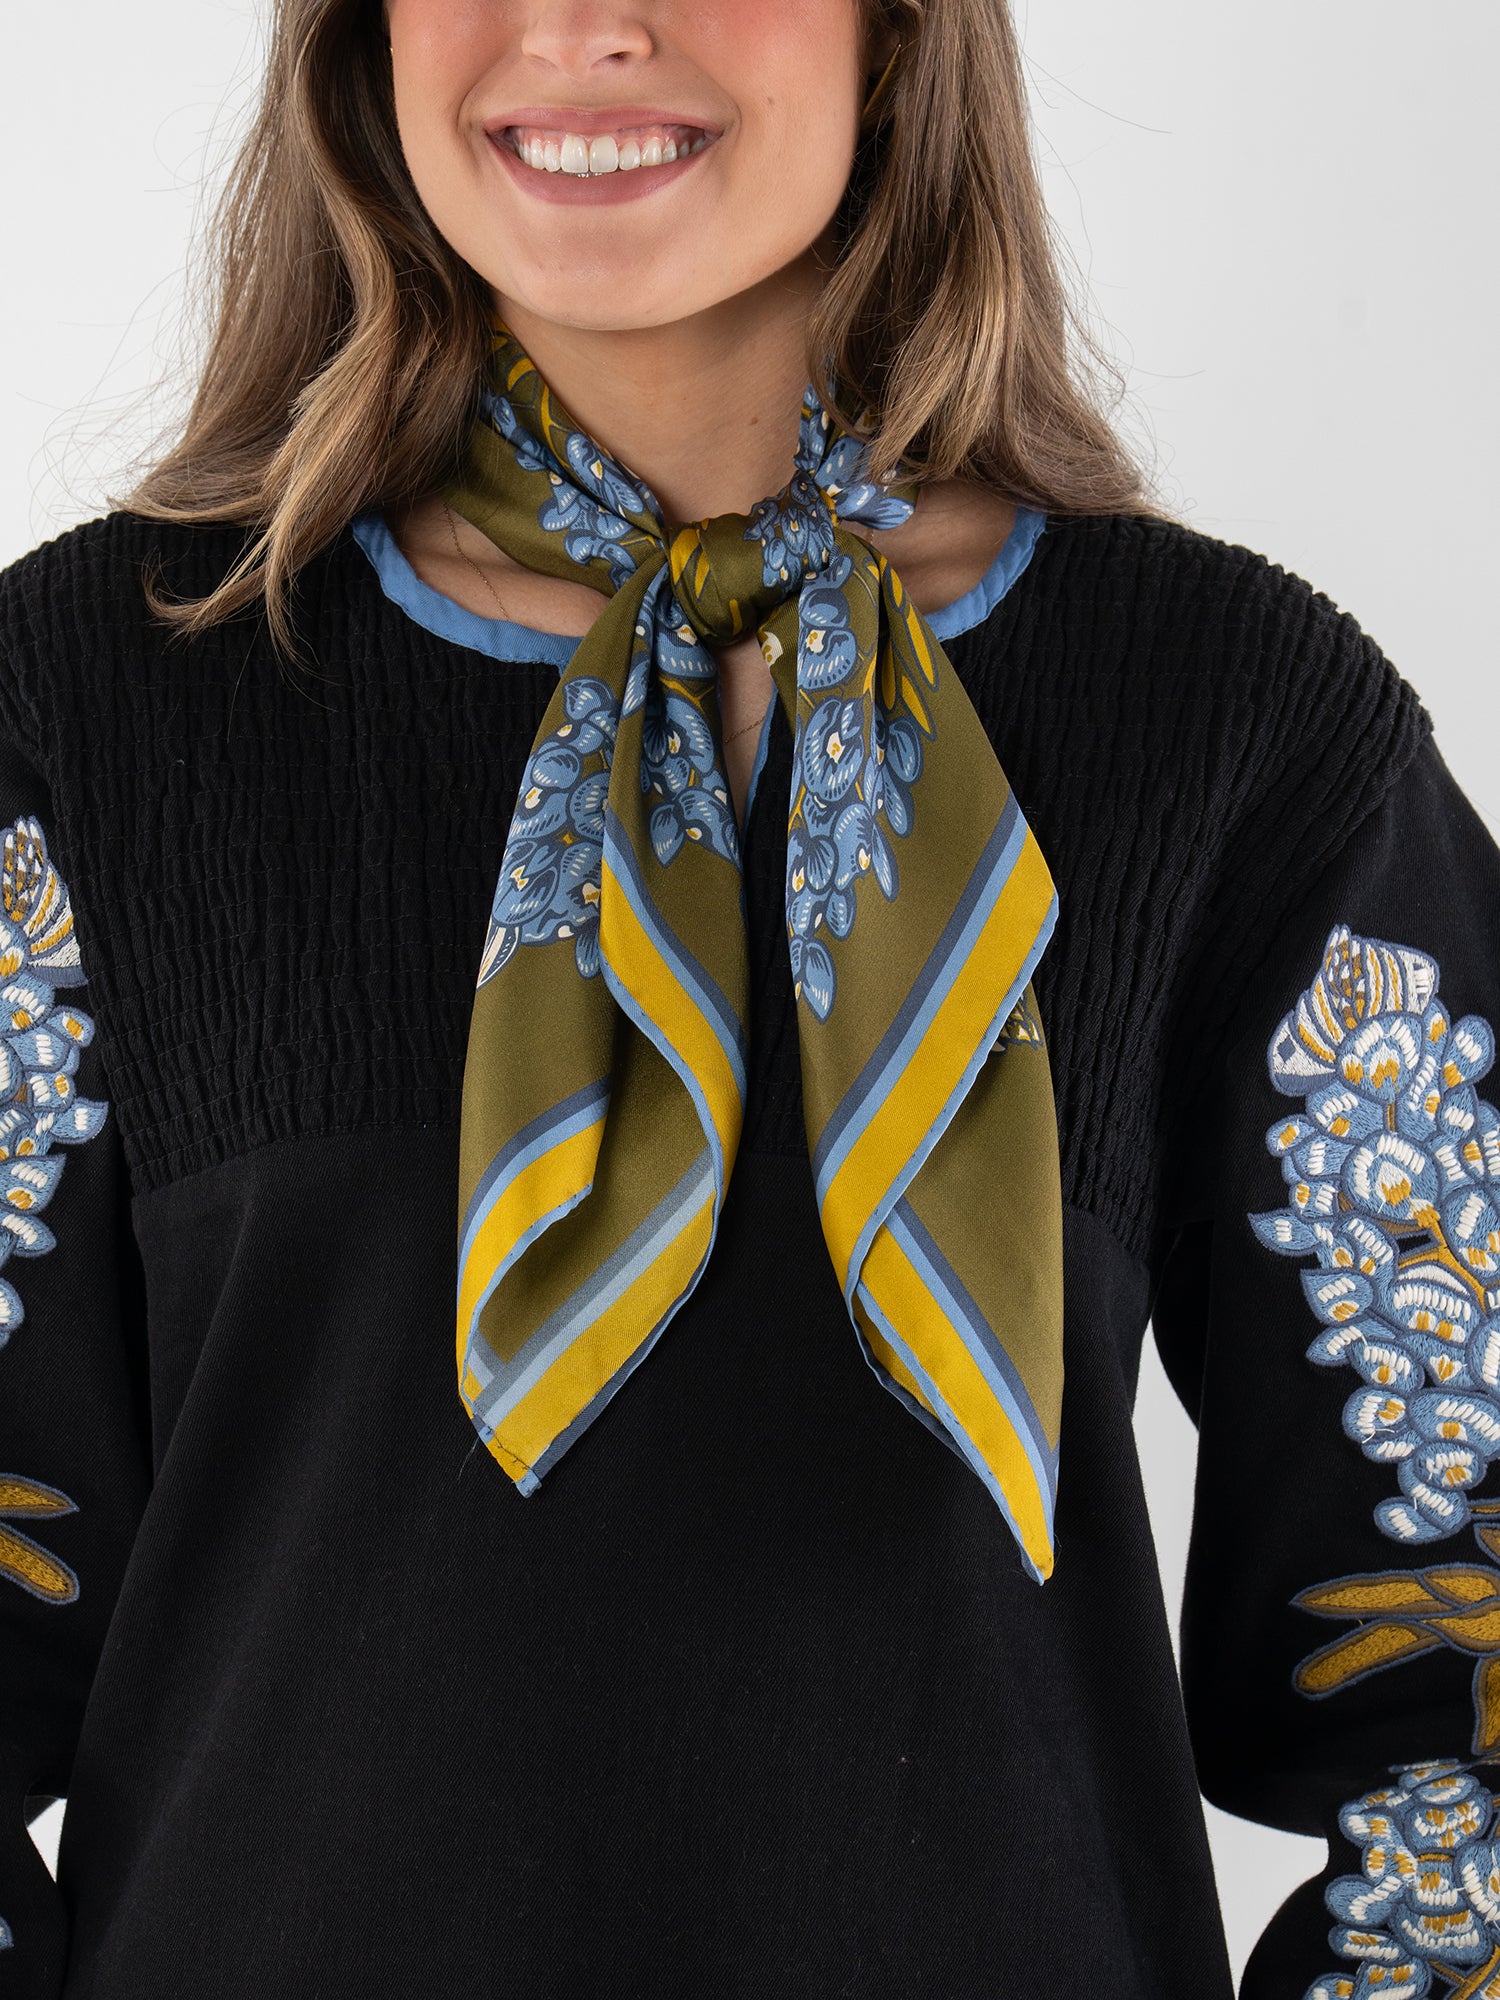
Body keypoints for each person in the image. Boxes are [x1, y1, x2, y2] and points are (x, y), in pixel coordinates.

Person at [0, 2, 1495, 1996]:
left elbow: (1460, 1691)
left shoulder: (1248, 739)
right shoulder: (84, 711)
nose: (586, 25)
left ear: (900, 31)